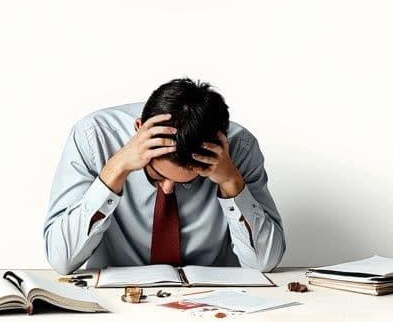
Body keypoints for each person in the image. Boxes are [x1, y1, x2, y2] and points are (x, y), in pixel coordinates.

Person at [43, 78, 285, 274]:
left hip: (213, 305)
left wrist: (232, 182)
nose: (168, 188)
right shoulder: (93, 136)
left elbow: (264, 263)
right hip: (117, 303)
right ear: (138, 130)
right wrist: (115, 170)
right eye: (157, 175)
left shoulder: (239, 149)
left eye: (187, 182)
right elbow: (61, 260)